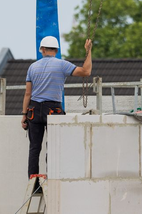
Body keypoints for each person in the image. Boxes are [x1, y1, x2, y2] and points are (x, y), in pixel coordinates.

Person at [21, 36, 93, 177]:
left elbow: (27, 94)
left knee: (34, 148)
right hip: (53, 110)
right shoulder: (62, 65)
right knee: (53, 147)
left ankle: (32, 178)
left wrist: (24, 115)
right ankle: (51, 177)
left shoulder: (32, 67)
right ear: (57, 50)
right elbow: (86, 72)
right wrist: (88, 51)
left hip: (34, 110)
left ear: (42, 49)